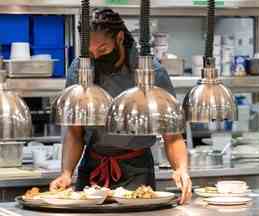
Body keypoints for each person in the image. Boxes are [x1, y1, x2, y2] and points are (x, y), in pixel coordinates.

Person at [50, 8, 192, 204]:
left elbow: (172, 136)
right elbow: (75, 132)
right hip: (93, 165)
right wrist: (66, 173)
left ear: (119, 38)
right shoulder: (80, 69)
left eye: (103, 49)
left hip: (137, 169)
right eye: (90, 52)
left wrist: (181, 170)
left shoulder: (151, 73)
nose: (97, 57)